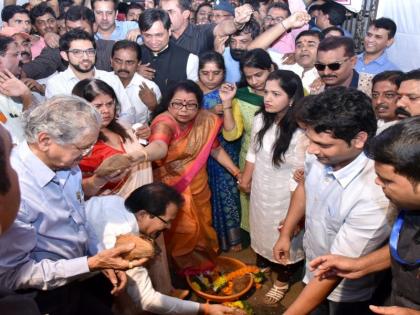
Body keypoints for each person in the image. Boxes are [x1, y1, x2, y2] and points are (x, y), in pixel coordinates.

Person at [0, 95, 147, 315]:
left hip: (81, 273)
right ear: (45, 140)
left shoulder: (67, 163)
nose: (86, 155)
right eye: (83, 148)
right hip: (44, 295)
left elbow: (79, 220)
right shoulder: (15, 189)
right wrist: (91, 263)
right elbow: (13, 275)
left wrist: (101, 257)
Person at [273, 87, 391, 315]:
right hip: (313, 264)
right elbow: (304, 187)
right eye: (310, 139)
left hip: (346, 290)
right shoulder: (318, 154)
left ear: (359, 140)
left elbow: (335, 269)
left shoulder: (374, 194)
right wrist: (286, 233)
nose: (312, 150)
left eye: (324, 145)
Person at [309, 116, 420, 314]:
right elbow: (405, 250)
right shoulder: (410, 208)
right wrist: (360, 265)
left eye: (387, 180)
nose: (377, 183)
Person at [129, 80, 241, 274]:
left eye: (191, 105)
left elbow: (215, 149)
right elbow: (159, 146)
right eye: (177, 103)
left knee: (202, 225)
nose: (183, 109)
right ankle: (181, 271)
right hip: (169, 189)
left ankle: (202, 266)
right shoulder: (164, 122)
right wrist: (142, 154)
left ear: (199, 106)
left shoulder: (206, 120)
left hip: (199, 185)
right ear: (168, 103)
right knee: (180, 230)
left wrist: (236, 172)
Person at [85, 182, 240, 315]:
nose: (169, 227)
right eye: (166, 221)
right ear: (143, 214)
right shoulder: (125, 244)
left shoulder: (115, 201)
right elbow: (149, 300)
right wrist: (205, 308)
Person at [239, 70, 306, 305]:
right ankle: (265, 266)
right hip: (261, 189)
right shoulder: (261, 118)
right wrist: (246, 177)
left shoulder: (302, 130)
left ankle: (282, 281)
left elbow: (300, 173)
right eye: (266, 92)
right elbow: (253, 152)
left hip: (286, 195)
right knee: (261, 230)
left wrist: (295, 213)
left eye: (276, 94)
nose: (267, 98)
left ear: (292, 98)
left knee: (284, 234)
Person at [222, 48, 276, 234]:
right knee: (254, 209)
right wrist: (227, 103)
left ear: (271, 68)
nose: (255, 81)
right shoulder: (242, 95)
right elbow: (232, 135)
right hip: (250, 160)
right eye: (249, 77)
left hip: (281, 160)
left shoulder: (292, 88)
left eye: (259, 75)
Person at [71, 78, 152, 198]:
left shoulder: (124, 127)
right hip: (109, 209)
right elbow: (77, 189)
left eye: (109, 104)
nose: (106, 110)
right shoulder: (80, 143)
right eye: (97, 106)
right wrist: (98, 180)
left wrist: (146, 138)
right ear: (82, 109)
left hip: (143, 199)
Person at [197, 51, 242, 252]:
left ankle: (234, 242)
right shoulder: (192, 95)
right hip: (202, 153)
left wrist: (225, 105)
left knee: (228, 195)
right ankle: (213, 241)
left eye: (215, 73)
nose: (210, 78)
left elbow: (232, 129)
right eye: (205, 73)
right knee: (207, 197)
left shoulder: (229, 93)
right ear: (198, 73)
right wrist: (208, 112)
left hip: (225, 148)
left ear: (223, 73)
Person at [45, 29, 136, 124]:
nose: (85, 57)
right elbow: (60, 122)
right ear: (65, 55)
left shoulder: (110, 78)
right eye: (77, 52)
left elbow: (127, 113)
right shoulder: (56, 84)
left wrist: (115, 132)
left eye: (90, 51)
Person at [138, 8, 199, 95]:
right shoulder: (134, 54)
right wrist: (133, 73)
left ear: (169, 30)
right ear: (141, 33)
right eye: (148, 35)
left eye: (159, 35)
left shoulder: (189, 59)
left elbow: (193, 97)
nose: (153, 41)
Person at [160, 0, 254, 55]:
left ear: (186, 14)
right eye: (161, 12)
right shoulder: (157, 37)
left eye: (170, 12)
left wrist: (237, 23)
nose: (163, 16)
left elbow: (222, 28)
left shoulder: (202, 32)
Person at [111, 40, 161, 124]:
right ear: (111, 61)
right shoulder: (101, 81)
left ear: (138, 64)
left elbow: (159, 122)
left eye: (129, 62)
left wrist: (153, 106)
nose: (123, 67)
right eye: (118, 61)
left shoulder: (150, 88)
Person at [0, 35, 34, 144]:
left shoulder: (10, 89)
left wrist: (26, 96)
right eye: (15, 55)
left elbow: (19, 121)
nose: (20, 58)